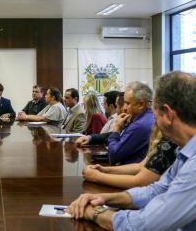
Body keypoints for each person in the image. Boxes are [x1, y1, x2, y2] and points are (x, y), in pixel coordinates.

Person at [67, 71, 196, 231]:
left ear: (168, 114)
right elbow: (157, 189)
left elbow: (143, 225)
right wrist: (104, 198)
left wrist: (95, 212)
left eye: (155, 111)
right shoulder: (186, 151)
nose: (153, 118)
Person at [82, 124, 177, 188]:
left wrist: (98, 176)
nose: (125, 108)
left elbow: (141, 181)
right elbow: (141, 165)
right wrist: (105, 170)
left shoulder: (169, 141)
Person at [106, 82, 154, 165]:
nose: (124, 108)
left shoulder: (139, 125)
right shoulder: (146, 117)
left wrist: (116, 128)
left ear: (141, 105)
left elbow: (113, 156)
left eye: (127, 103)